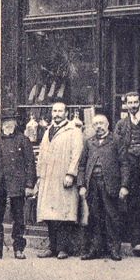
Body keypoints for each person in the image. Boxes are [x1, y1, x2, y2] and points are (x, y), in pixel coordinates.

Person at [35, 102, 85, 259]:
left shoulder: (74, 131)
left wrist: (71, 174)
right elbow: (42, 154)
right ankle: (52, 247)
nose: (56, 114)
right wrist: (39, 176)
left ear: (66, 113)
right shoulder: (48, 131)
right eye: (54, 111)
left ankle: (63, 248)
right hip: (48, 177)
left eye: (60, 111)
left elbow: (77, 154)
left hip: (63, 176)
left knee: (63, 214)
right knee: (49, 214)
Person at [0, 109, 36, 260]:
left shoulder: (23, 140)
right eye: (5, 121)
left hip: (17, 185)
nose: (8, 124)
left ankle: (18, 249)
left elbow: (30, 164)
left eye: (11, 121)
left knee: (19, 218)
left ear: (15, 122)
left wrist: (29, 185)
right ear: (1, 124)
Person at [78, 114, 130, 261]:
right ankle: (95, 249)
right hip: (92, 184)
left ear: (107, 125)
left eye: (101, 123)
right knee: (94, 217)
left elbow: (124, 164)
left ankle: (114, 249)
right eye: (96, 124)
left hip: (110, 185)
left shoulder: (116, 140)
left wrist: (124, 186)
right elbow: (82, 166)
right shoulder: (89, 142)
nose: (99, 127)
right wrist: (82, 185)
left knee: (112, 217)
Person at [114, 91, 140, 250]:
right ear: (126, 105)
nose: (133, 105)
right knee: (132, 203)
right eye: (130, 103)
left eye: (136, 102)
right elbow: (117, 147)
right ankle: (135, 240)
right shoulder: (121, 124)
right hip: (129, 168)